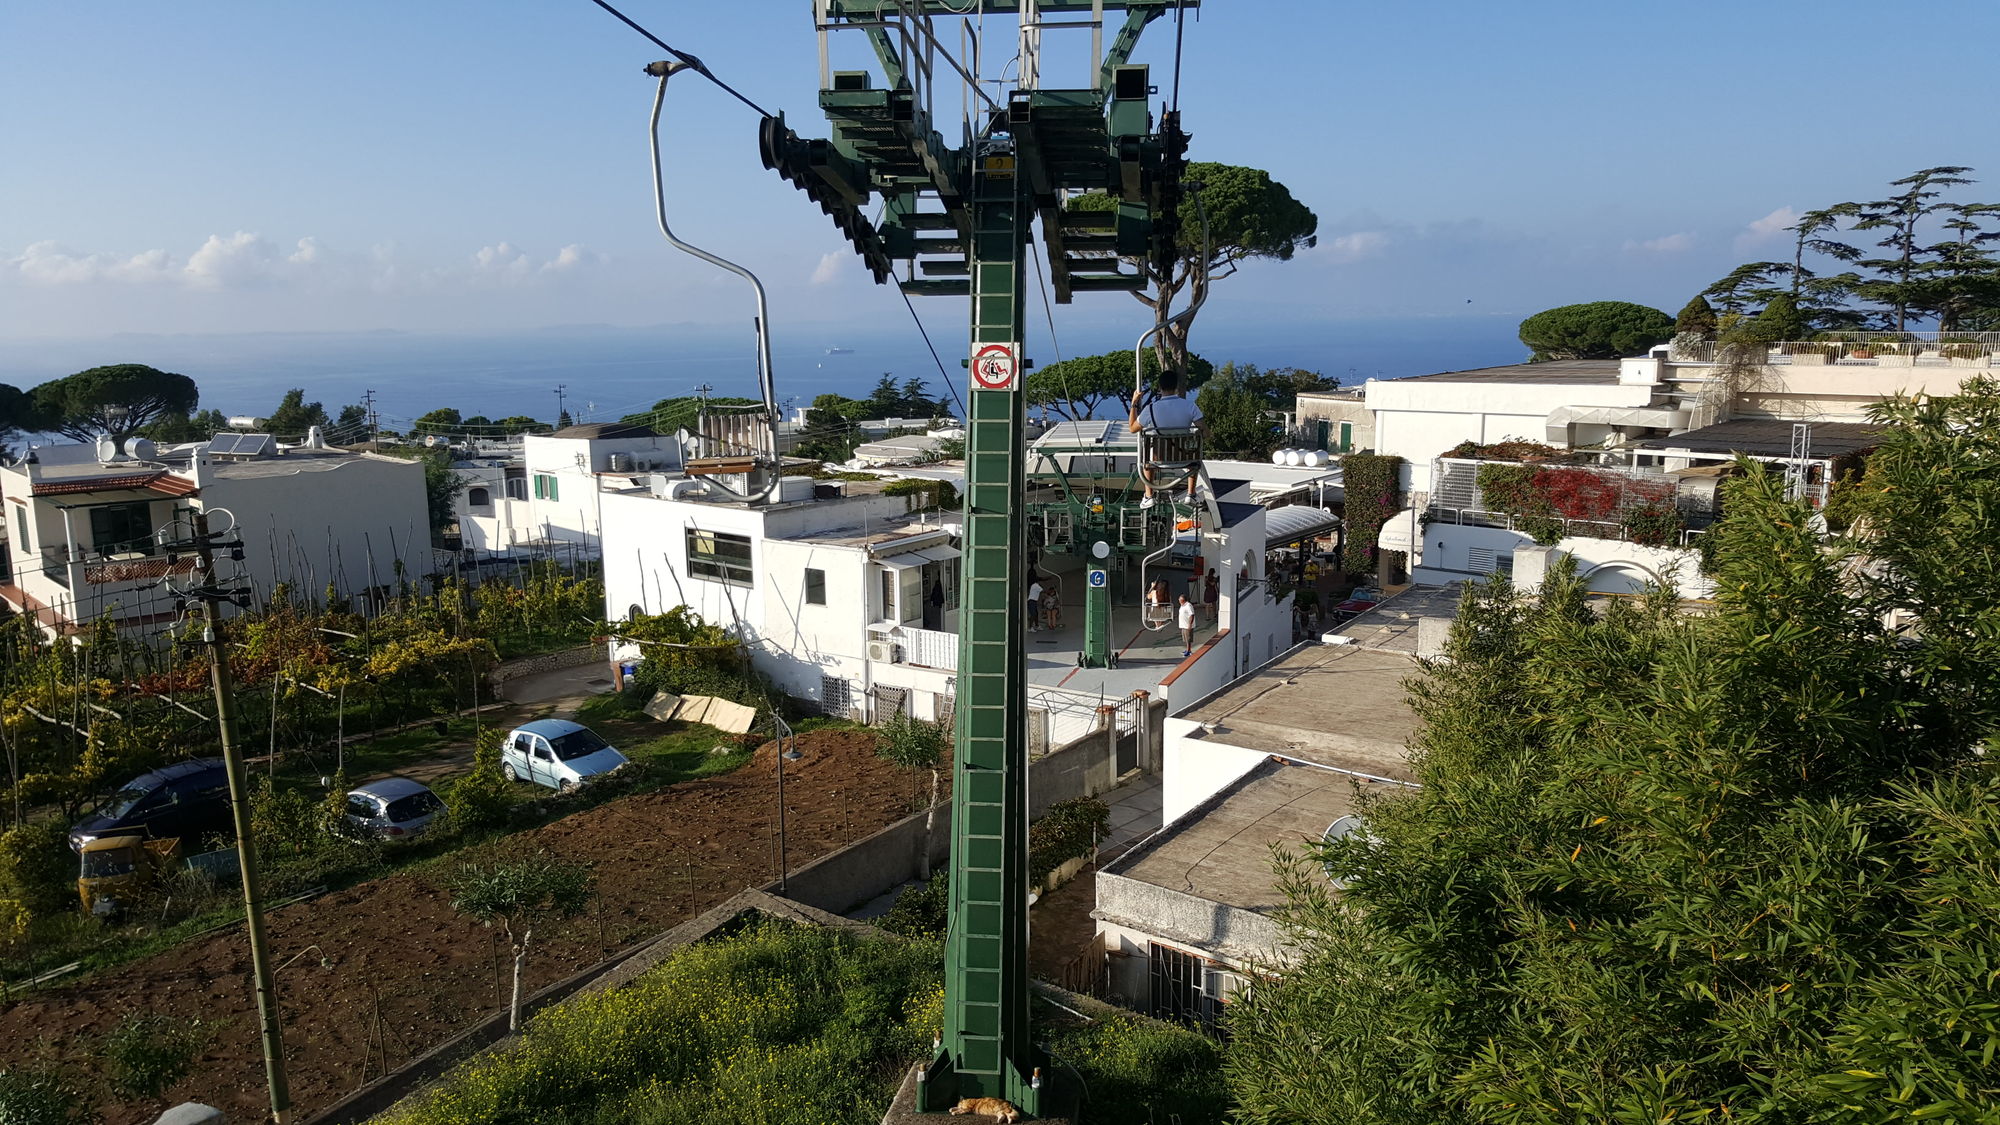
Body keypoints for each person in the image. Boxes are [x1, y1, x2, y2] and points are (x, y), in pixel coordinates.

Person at [1127, 370, 1205, 509]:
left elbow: (1133, 428)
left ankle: (1148, 495)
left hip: (1157, 460)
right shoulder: (1190, 406)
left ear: (1159, 387)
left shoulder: (1150, 409)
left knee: (1148, 456)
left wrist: (1134, 403)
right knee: (1194, 452)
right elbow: (1205, 431)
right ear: (1176, 386)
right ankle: (1191, 494)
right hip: (1185, 458)